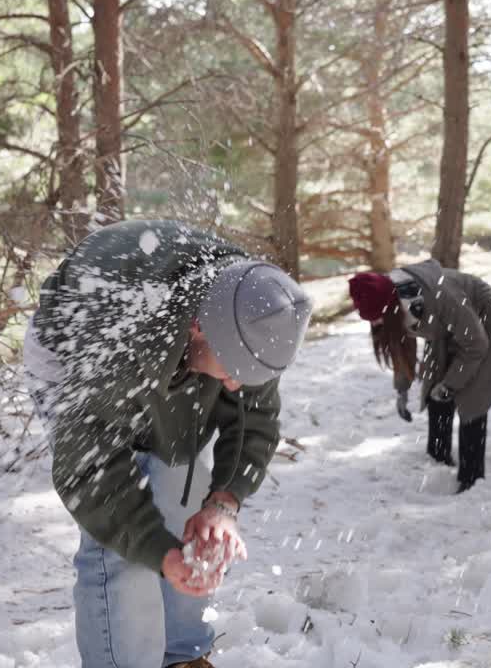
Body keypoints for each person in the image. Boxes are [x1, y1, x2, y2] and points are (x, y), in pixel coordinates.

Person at [23, 220, 312, 668]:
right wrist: (157, 551)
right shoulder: (116, 338)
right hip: (78, 360)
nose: (238, 384)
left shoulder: (253, 309)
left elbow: (255, 413)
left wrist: (225, 500)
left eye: (251, 375)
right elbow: (92, 473)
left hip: (171, 357)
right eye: (234, 369)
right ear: (200, 328)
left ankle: (184, 655)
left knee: (184, 503)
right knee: (123, 548)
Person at [347, 259, 491, 493]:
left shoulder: (440, 298)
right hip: (444, 325)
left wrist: (450, 385)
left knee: (474, 396)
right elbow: (399, 344)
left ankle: (471, 478)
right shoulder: (392, 302)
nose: (376, 323)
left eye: (379, 318)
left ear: (392, 307)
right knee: (434, 380)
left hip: (485, 321)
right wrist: (402, 388)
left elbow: (476, 344)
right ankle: (438, 454)